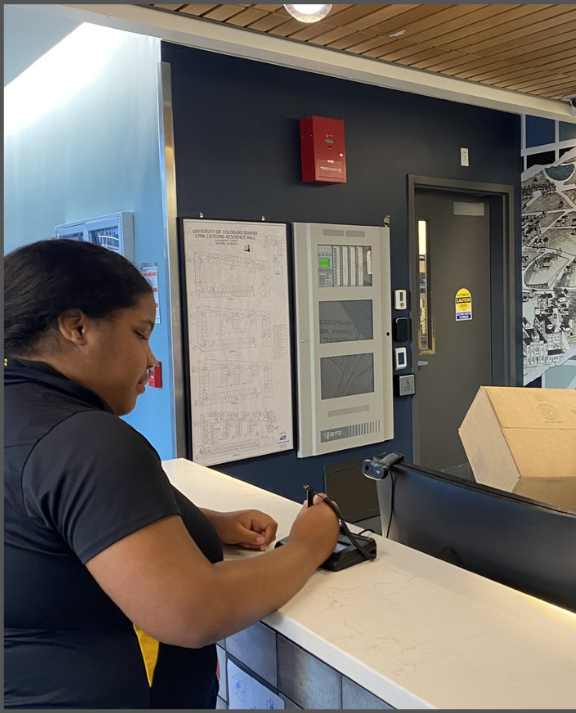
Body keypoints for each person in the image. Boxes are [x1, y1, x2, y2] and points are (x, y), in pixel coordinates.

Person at [4, 239, 340, 709]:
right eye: (140, 334)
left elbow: (42, 517)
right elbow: (194, 612)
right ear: (77, 327)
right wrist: (309, 545)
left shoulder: (22, 416)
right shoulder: (86, 440)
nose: (151, 360)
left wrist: (202, 519)